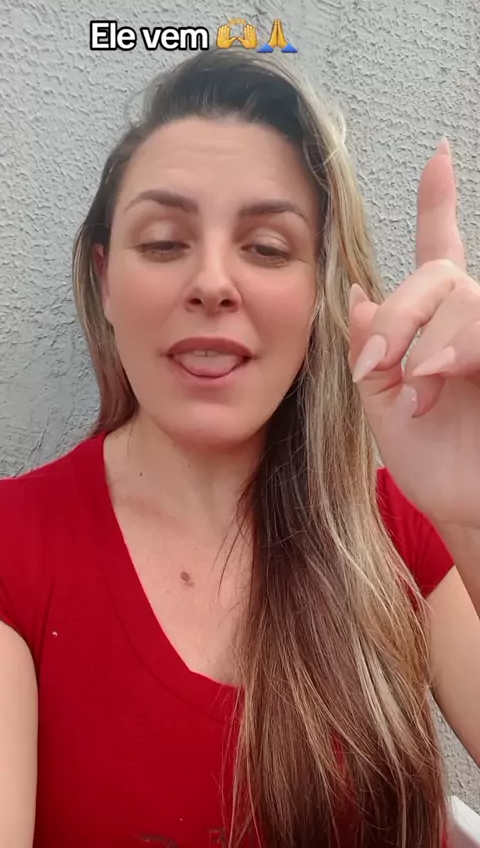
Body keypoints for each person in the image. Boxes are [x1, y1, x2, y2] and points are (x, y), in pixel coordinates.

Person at [0, 46, 479, 848]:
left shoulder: (396, 528)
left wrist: (472, 511)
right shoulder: (15, 548)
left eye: (266, 247)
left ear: (319, 293)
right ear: (106, 280)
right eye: (164, 242)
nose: (213, 283)